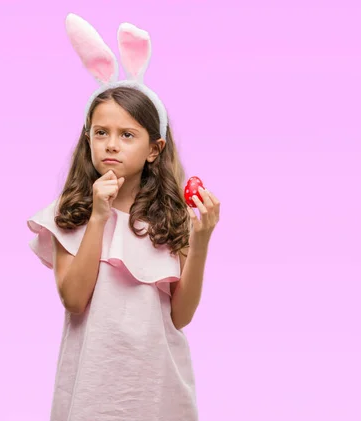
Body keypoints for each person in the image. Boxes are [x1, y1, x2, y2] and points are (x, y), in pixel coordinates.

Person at [26, 13, 220, 421]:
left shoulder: (173, 218)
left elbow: (181, 316)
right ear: (88, 137)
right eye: (101, 132)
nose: (111, 145)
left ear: (155, 147)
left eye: (127, 135)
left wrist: (200, 241)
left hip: (157, 389)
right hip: (93, 393)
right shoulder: (70, 214)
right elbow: (74, 299)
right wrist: (98, 217)